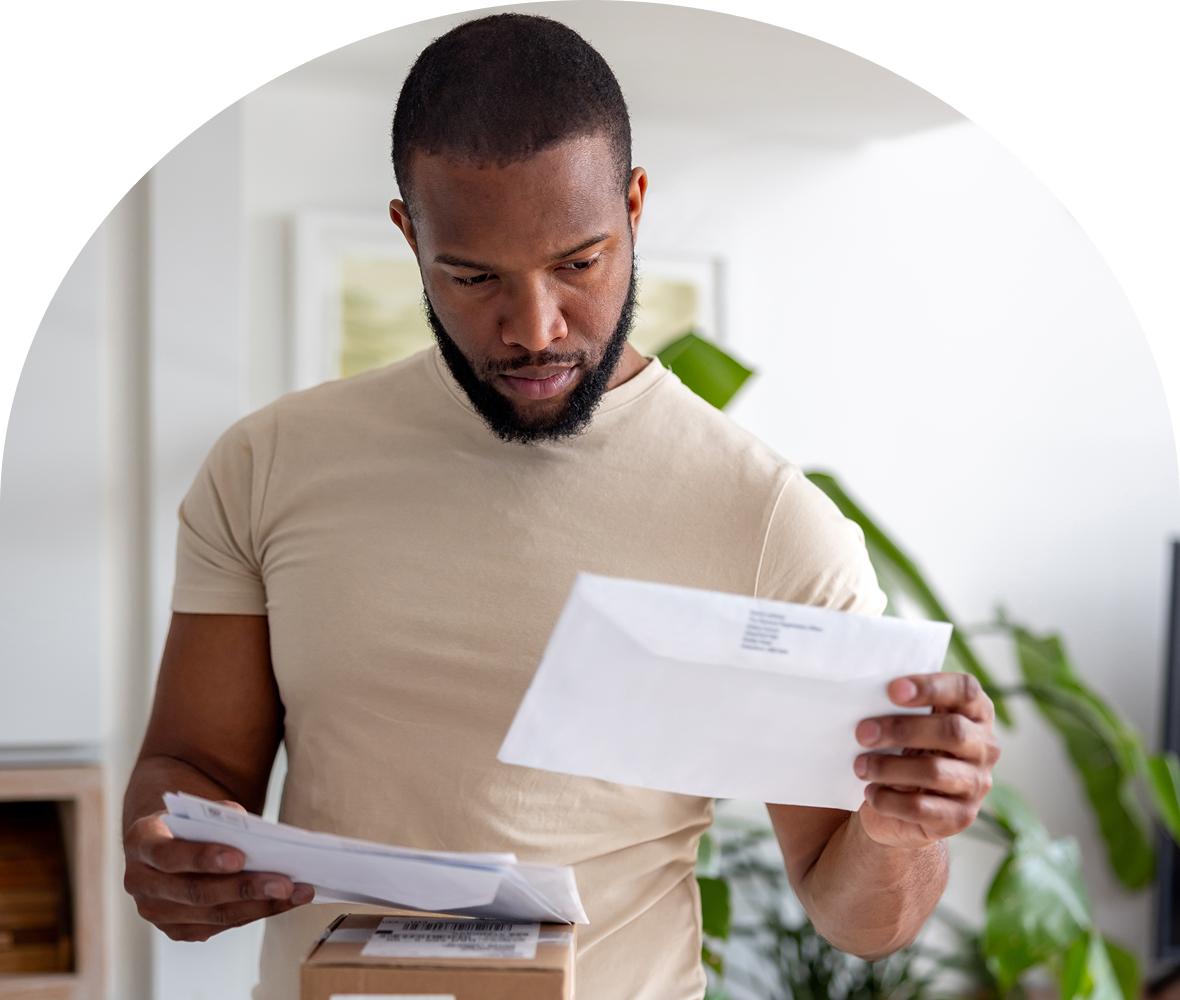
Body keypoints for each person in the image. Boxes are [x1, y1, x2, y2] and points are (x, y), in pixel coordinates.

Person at [122, 14, 1000, 1000]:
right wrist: (171, 852)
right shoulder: (268, 463)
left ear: (633, 207)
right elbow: (187, 766)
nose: (534, 327)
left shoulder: (764, 519)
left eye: (578, 263)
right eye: (473, 277)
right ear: (411, 236)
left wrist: (898, 827)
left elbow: (864, 920)